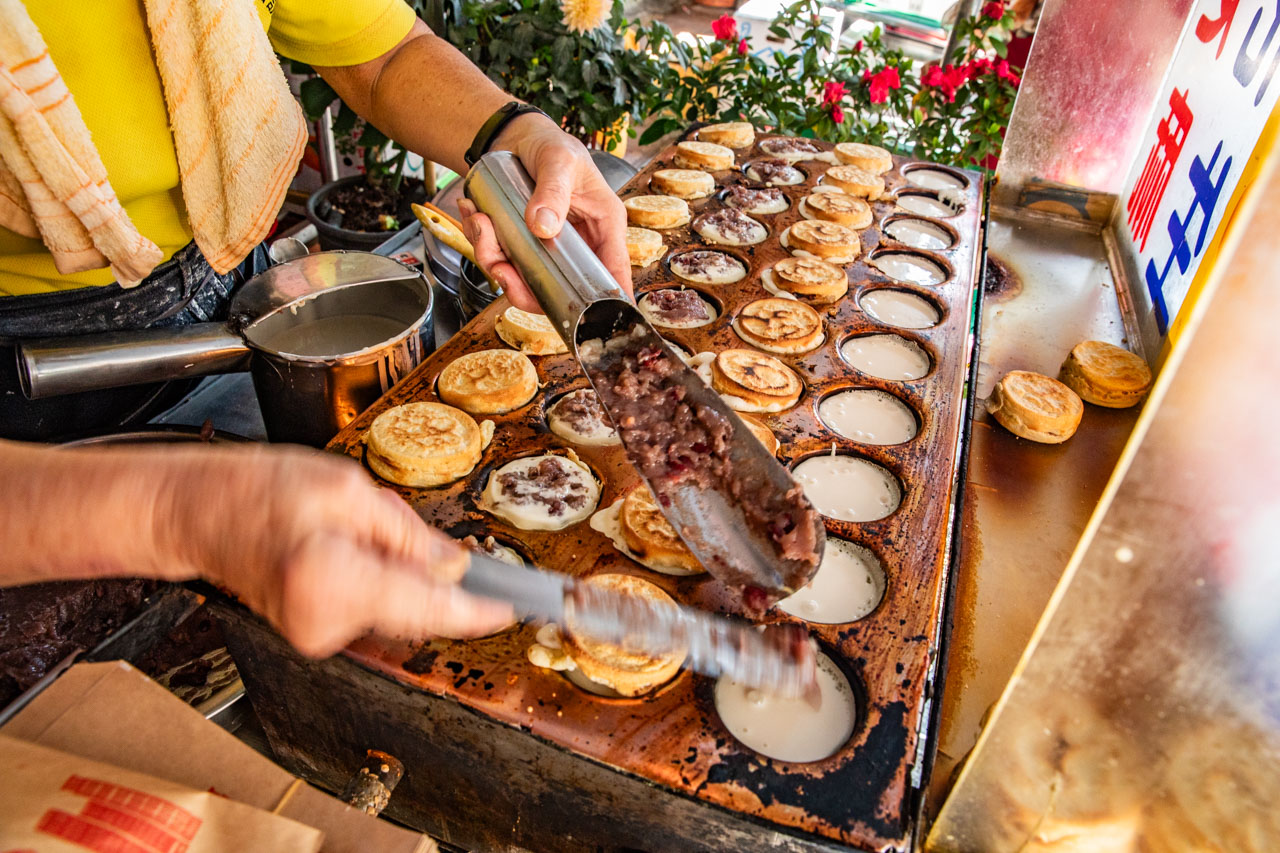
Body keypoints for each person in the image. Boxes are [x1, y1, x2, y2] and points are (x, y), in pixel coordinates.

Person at [0, 0, 631, 656]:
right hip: (29, 384)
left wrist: (515, 132)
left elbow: (382, 54)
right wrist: (181, 512)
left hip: (232, 273)